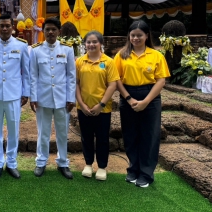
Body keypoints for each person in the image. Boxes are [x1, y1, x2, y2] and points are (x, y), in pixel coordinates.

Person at [114, 20, 170, 188]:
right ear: (129, 37)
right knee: (130, 135)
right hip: (127, 96)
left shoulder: (156, 55)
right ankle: (133, 169)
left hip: (150, 97)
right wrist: (129, 98)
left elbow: (161, 81)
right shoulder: (121, 55)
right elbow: (116, 79)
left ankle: (146, 173)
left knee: (149, 136)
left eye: (139, 35)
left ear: (147, 36)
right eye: (133, 35)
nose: (136, 38)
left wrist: (146, 101)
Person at [0, 14, 30, 179]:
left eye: (7, 25)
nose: (4, 28)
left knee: (13, 130)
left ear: (13, 27)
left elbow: (26, 73)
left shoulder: (22, 46)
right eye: (1, 25)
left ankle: (11, 163)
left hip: (14, 95)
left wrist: (26, 93)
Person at [30, 18, 76, 179]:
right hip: (43, 98)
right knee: (43, 132)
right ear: (43, 32)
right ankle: (41, 161)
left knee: (62, 133)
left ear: (59, 31)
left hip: (62, 99)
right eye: (47, 29)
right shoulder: (35, 51)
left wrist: (71, 97)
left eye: (53, 29)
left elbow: (71, 76)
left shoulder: (68, 50)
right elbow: (33, 76)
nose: (50, 32)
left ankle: (63, 162)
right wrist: (33, 97)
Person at [76, 30, 119, 181]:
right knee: (86, 137)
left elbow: (112, 85)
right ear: (85, 44)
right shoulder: (80, 62)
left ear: (101, 44)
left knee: (102, 138)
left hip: (103, 109)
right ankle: (88, 164)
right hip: (84, 108)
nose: (91, 44)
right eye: (88, 42)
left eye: (95, 42)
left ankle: (102, 167)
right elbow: (76, 84)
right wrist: (81, 103)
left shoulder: (109, 62)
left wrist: (101, 104)